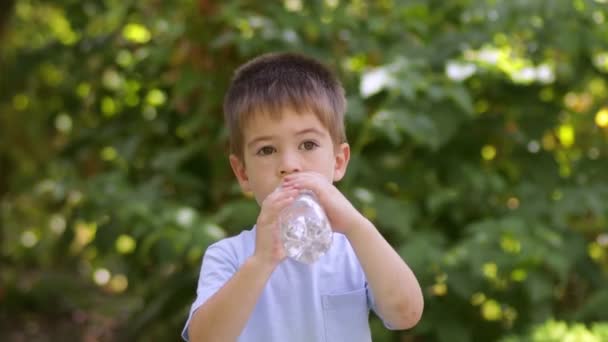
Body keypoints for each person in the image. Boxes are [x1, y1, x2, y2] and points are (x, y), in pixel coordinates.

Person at [182, 52, 424, 342]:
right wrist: (261, 261)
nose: (289, 164)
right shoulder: (230, 257)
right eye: (267, 150)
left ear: (338, 161)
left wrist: (356, 225)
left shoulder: (355, 249)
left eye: (307, 144)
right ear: (243, 173)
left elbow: (405, 315)